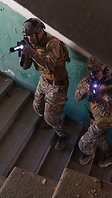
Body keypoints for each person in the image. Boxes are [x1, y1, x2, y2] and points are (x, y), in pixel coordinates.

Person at [19, 18, 71, 150]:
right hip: (44, 81)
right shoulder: (32, 44)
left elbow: (49, 66)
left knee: (50, 116)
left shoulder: (53, 44)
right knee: (37, 106)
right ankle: (51, 121)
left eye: (31, 35)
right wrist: (25, 54)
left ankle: (63, 135)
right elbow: (25, 67)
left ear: (40, 31)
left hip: (57, 85)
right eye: (27, 36)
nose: (29, 39)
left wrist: (30, 52)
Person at [75, 56, 112, 167]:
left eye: (96, 73)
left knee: (83, 142)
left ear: (105, 70)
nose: (93, 76)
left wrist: (97, 96)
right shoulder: (89, 77)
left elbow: (107, 112)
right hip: (93, 115)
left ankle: (88, 154)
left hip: (104, 120)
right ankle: (109, 156)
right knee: (99, 137)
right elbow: (77, 97)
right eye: (90, 72)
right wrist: (83, 90)